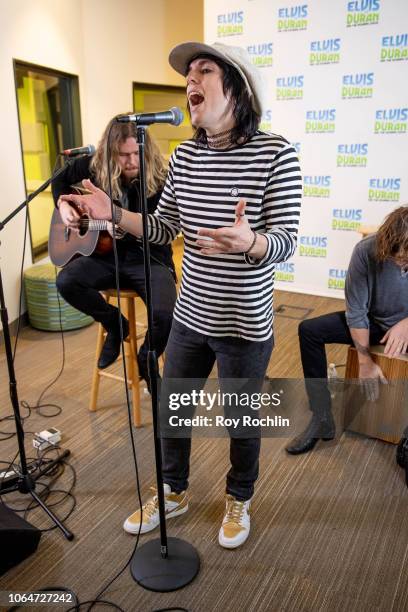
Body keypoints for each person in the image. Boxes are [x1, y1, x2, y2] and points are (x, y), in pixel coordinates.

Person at [59, 42, 302, 548]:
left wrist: (251, 241)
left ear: (237, 88)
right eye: (188, 74)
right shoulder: (186, 155)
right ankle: (173, 491)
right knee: (175, 408)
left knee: (240, 418)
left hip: (244, 321)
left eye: (204, 70)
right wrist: (110, 214)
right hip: (192, 313)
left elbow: (287, 241)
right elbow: (163, 226)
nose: (191, 80)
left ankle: (239, 496)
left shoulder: (278, 154)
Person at [52, 120, 177, 389]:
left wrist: (120, 222)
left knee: (166, 314)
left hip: (150, 258)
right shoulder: (94, 167)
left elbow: (164, 229)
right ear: (110, 153)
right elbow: (59, 179)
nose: (132, 161)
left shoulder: (164, 178)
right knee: (65, 282)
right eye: (124, 155)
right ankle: (115, 324)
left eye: (136, 153)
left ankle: (147, 356)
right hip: (107, 257)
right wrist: (64, 206)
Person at [286, 206, 408, 455]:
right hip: (373, 321)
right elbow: (356, 311)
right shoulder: (366, 250)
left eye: (406, 259)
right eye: (397, 257)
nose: (401, 263)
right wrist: (364, 361)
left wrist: (406, 324)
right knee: (310, 330)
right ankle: (321, 417)